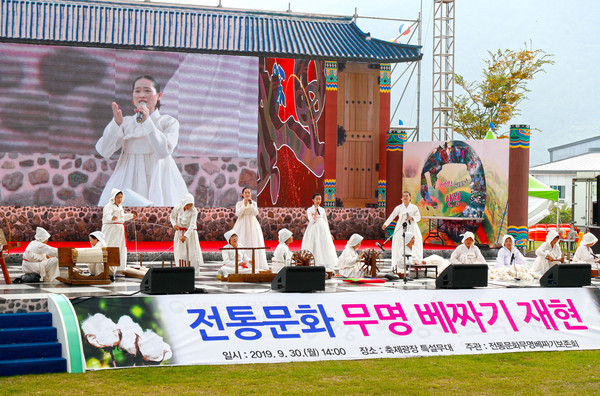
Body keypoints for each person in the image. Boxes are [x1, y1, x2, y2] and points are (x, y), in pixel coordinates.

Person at [95, 75, 188, 206]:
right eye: (137, 91)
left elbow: (163, 151)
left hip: (158, 175)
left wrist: (147, 122)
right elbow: (105, 151)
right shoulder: (126, 122)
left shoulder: (168, 122)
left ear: (159, 96)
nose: (142, 95)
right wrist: (116, 123)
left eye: (147, 91)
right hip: (129, 174)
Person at [382, 191, 422, 271]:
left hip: (412, 226)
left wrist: (412, 218)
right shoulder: (399, 208)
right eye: (404, 196)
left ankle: (415, 264)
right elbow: (392, 215)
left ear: (410, 197)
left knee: (414, 243)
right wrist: (386, 224)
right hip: (401, 226)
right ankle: (398, 265)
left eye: (407, 196)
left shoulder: (414, 208)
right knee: (399, 243)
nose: (405, 197)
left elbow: (418, 217)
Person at [102, 189, 136, 274]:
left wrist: (131, 216)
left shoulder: (119, 207)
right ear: (114, 197)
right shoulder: (109, 206)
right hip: (111, 229)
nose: (120, 199)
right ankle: (109, 266)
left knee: (120, 246)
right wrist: (111, 218)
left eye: (121, 197)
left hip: (119, 229)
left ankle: (118, 267)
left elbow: (122, 217)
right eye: (118, 197)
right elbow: (106, 215)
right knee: (111, 245)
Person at [233, 187, 268, 271]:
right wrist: (244, 204)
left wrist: (251, 204)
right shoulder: (239, 204)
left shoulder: (253, 203)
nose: (247, 194)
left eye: (249, 192)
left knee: (253, 241)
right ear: (242, 194)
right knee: (242, 241)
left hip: (252, 224)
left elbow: (255, 213)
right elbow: (238, 213)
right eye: (246, 192)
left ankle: (254, 264)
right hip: (242, 223)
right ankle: (241, 263)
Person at [301, 193, 338, 271]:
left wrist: (329, 233)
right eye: (317, 199)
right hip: (313, 228)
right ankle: (313, 261)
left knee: (323, 243)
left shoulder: (322, 210)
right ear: (313, 200)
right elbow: (311, 220)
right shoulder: (310, 209)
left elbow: (325, 221)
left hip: (322, 228)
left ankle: (324, 261)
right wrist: (314, 214)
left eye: (319, 199)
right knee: (314, 243)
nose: (318, 201)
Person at [170, 193, 204, 276]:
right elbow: (172, 217)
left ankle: (194, 272)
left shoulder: (194, 210)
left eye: (190, 205)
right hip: (180, 233)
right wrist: (174, 225)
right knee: (181, 253)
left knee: (192, 253)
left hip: (190, 233)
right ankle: (181, 270)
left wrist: (186, 235)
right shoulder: (177, 208)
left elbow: (192, 224)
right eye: (187, 205)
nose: (189, 207)